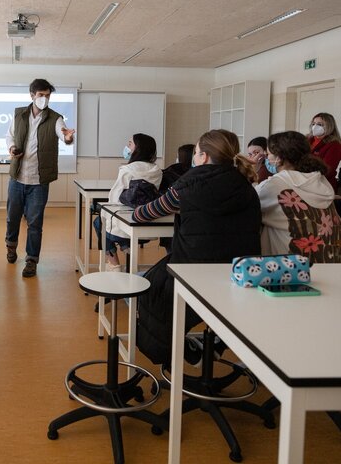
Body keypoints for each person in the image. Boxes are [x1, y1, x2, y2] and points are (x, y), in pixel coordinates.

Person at [131, 129, 261, 366]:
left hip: (192, 270)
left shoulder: (187, 187)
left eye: (197, 152)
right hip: (240, 272)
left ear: (204, 156)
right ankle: (214, 343)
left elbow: (143, 214)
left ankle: (177, 351)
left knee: (147, 285)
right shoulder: (247, 186)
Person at [5, 79, 75, 278]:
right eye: (41, 95)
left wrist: (68, 137)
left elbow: (64, 135)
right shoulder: (19, 114)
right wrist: (12, 147)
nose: (44, 99)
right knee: (12, 218)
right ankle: (11, 247)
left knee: (35, 223)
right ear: (32, 95)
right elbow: (9, 136)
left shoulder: (55, 118)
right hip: (17, 177)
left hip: (39, 181)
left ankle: (31, 260)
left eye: (47, 95)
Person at [257, 131, 341, 262]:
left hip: (290, 267)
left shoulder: (274, 185)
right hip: (330, 264)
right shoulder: (321, 181)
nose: (266, 159)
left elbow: (248, 207)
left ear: (279, 158)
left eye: (268, 154)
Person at [93, 133, 162, 271]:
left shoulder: (127, 170)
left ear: (138, 149)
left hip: (125, 222)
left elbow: (114, 198)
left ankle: (114, 264)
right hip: (148, 218)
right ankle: (126, 248)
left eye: (130, 144)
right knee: (105, 221)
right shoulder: (157, 171)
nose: (127, 146)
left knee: (99, 222)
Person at [306, 112, 341, 192]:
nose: (315, 126)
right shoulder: (307, 140)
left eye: (320, 124)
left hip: (323, 185)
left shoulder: (334, 145)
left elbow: (328, 170)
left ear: (329, 126)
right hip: (304, 181)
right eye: (313, 124)